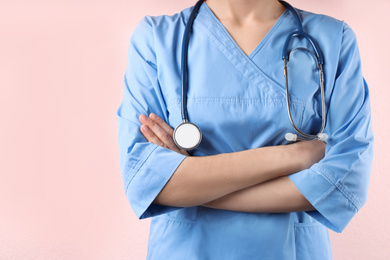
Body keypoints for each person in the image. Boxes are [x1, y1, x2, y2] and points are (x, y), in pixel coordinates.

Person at [116, 0, 374, 259]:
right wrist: (294, 156)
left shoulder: (332, 40)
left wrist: (190, 185)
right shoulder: (157, 39)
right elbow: (143, 181)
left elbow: (344, 183)